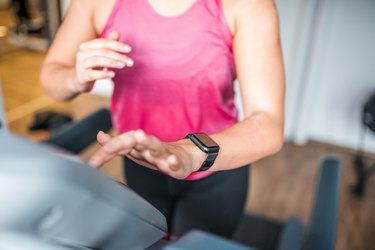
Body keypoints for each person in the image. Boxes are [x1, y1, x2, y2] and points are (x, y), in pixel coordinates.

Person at [40, 0, 285, 239]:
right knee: (146, 242)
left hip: (217, 168)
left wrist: (189, 153)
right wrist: (76, 77)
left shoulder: (247, 5)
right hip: (140, 163)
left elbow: (267, 122)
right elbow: (52, 77)